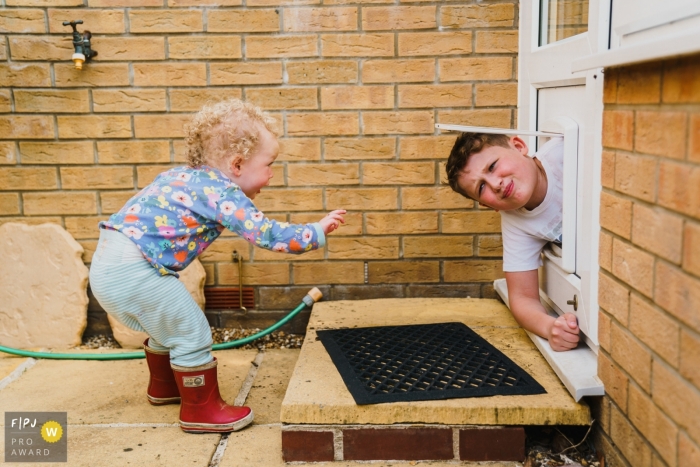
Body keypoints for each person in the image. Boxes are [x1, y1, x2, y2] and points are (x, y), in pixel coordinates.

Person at [89, 98, 346, 433]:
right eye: (269, 164)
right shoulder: (221, 191)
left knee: (166, 325)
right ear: (237, 164)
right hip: (135, 268)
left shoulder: (181, 176)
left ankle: (165, 388)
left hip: (108, 265)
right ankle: (201, 410)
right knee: (192, 331)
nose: (270, 175)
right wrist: (315, 231)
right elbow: (266, 234)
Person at [445, 132, 579, 352]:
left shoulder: (566, 153)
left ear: (518, 145)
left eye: (492, 166)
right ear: (490, 207)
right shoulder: (515, 222)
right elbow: (522, 298)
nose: (495, 183)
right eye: (481, 188)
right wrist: (550, 327)